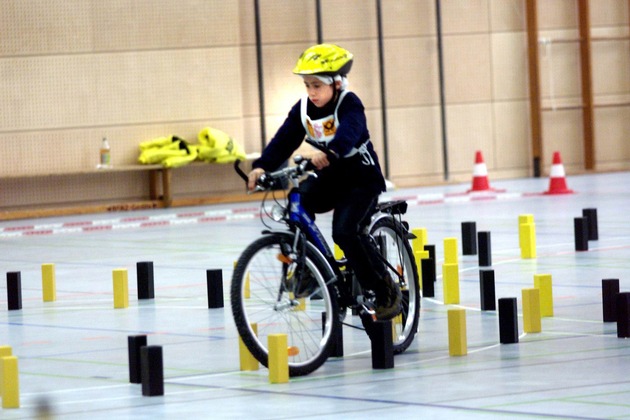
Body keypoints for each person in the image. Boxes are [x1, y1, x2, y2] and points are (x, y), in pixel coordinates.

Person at [247, 43, 401, 321]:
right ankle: (309, 269)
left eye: (317, 85)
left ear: (337, 83)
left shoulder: (349, 103)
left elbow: (350, 132)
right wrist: (261, 167)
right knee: (297, 203)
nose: (311, 92)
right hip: (331, 178)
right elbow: (284, 140)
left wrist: (330, 152)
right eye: (307, 85)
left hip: (361, 179)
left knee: (345, 231)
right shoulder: (304, 108)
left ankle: (384, 288)